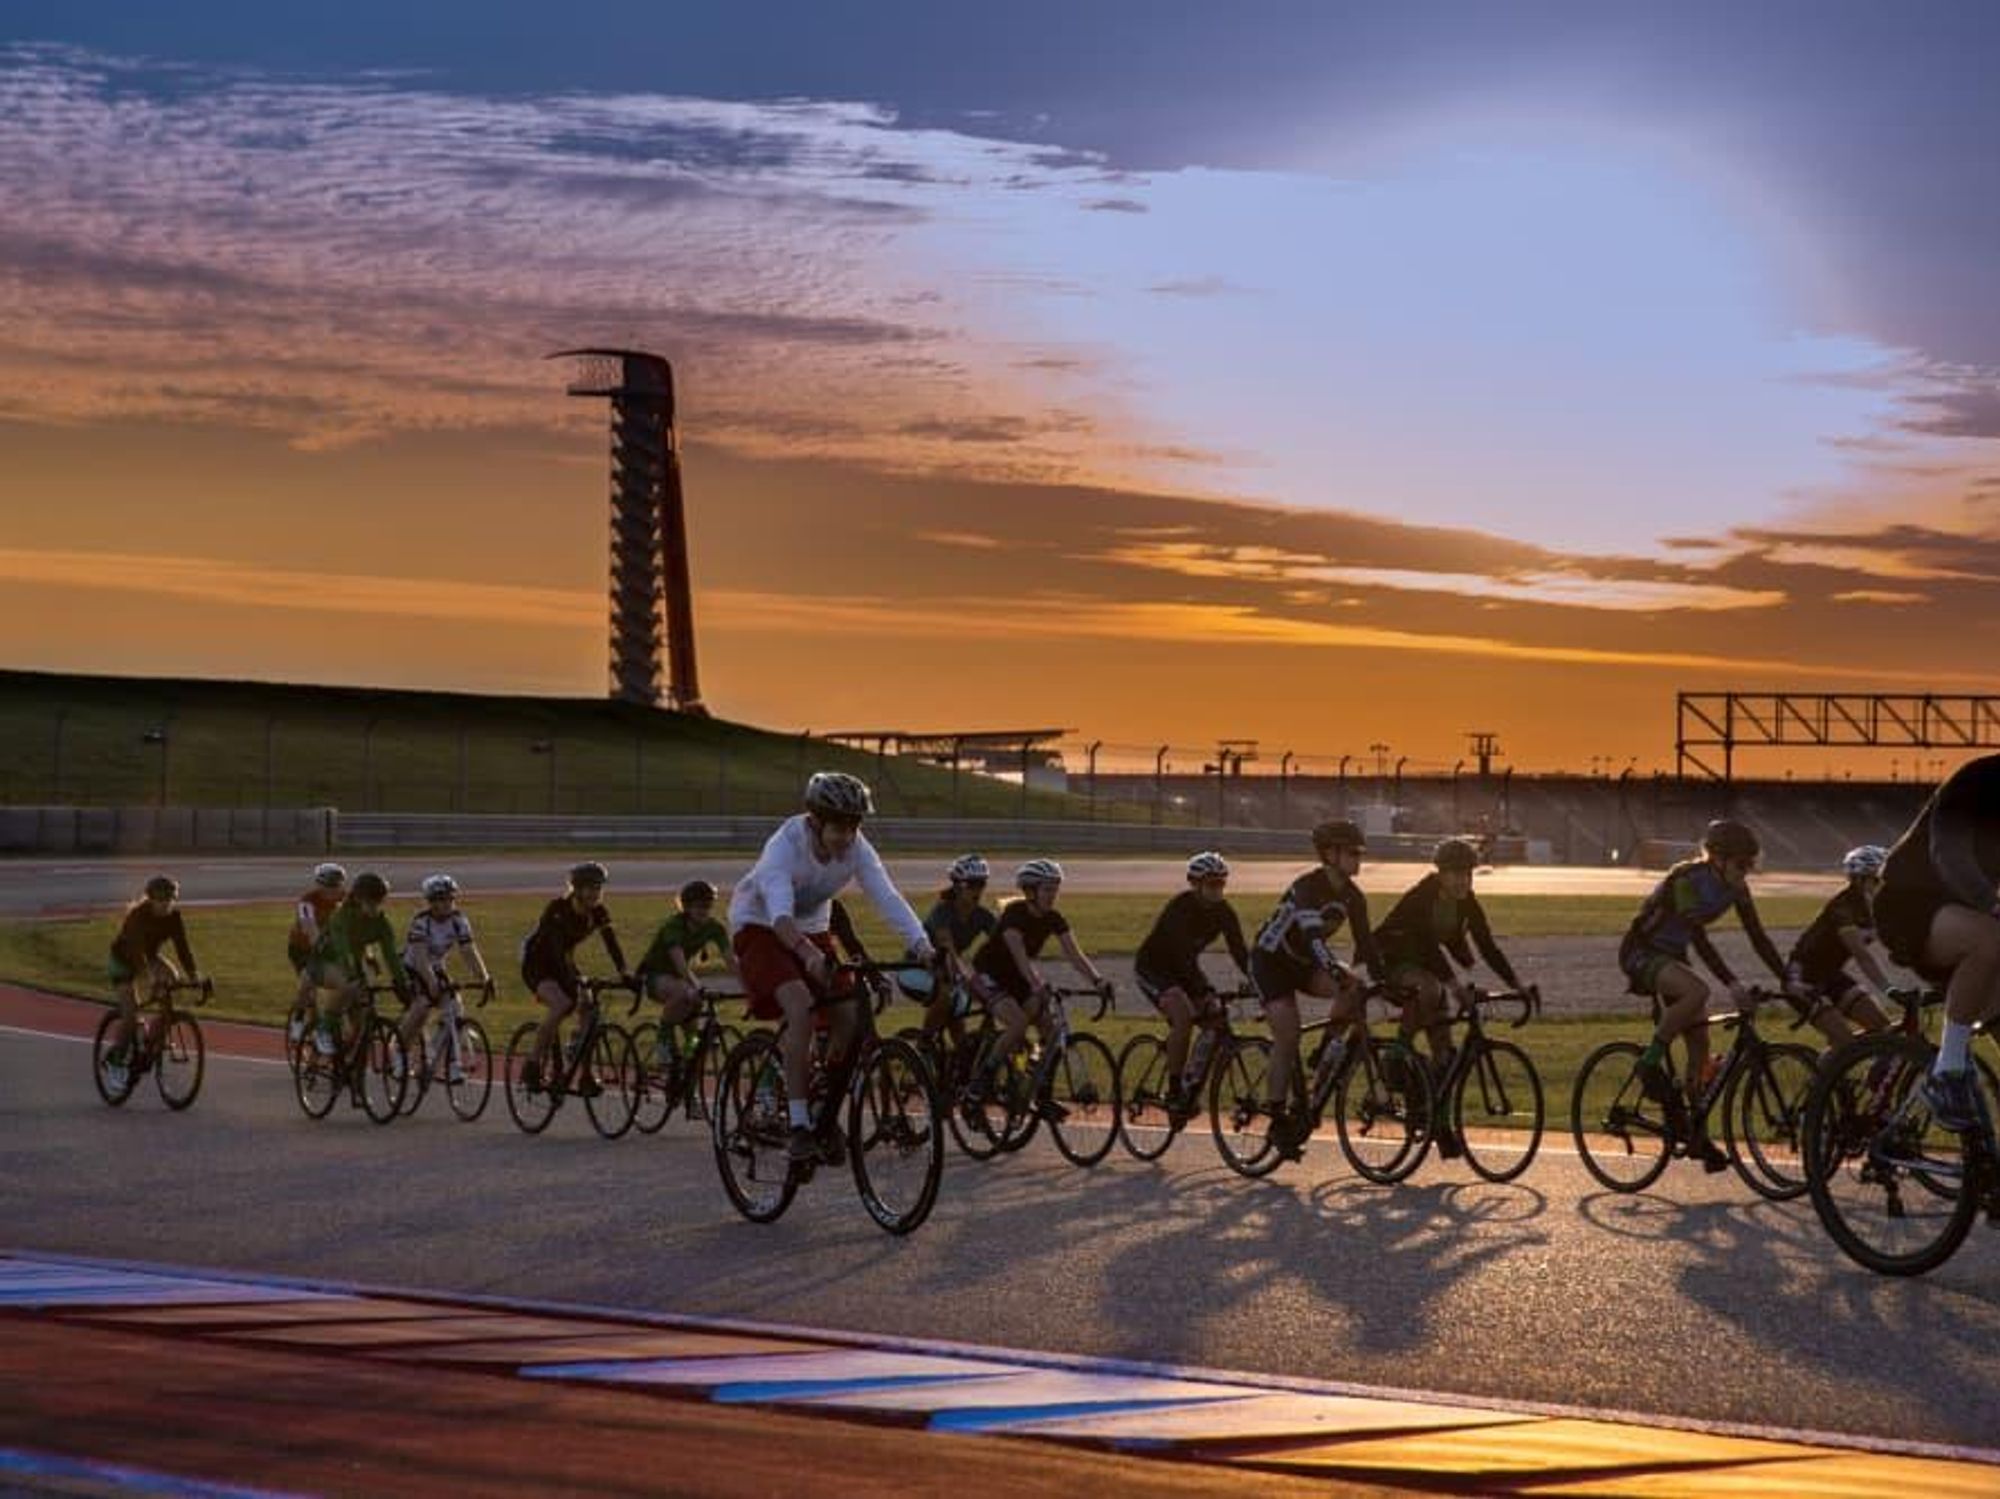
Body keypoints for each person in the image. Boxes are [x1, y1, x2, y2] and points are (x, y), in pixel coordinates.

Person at [728, 772, 934, 1163]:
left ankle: (823, 1102)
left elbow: (887, 897)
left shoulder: (857, 848)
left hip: (813, 928)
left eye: (854, 827)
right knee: (801, 1008)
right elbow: (780, 917)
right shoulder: (784, 847)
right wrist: (807, 954)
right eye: (839, 827)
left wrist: (922, 946)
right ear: (815, 821)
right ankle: (799, 1126)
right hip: (761, 925)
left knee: (850, 1016)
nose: (847, 837)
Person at [1617, 819, 1788, 1169]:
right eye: (1741, 864)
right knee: (1698, 991)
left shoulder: (1737, 887)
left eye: (1751, 864)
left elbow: (1758, 937)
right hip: (1641, 951)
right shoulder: (1686, 880)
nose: (1746, 871)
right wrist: (1733, 984)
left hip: (1672, 956)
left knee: (1700, 1046)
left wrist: (1789, 980)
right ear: (1718, 859)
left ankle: (1696, 1135)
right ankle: (1649, 1062)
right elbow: (1699, 937)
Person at [1372, 838, 1536, 1156]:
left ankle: (1438, 1122)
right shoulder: (1423, 896)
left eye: (1468, 874)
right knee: (1431, 988)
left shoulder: (1466, 901)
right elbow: (1428, 948)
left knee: (1445, 1056)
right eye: (1456, 874)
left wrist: (1517, 984)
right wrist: (1456, 988)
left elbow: (1487, 946)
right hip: (1391, 961)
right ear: (1441, 874)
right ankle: (1396, 1054)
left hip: (1425, 966)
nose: (1464, 880)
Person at [1872, 754, 2000, 1131]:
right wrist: (1992, 904)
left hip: (1965, 913)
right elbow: (1948, 853)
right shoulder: (1977, 779)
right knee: (1989, 938)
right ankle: (1947, 1073)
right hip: (1909, 903)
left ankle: (1980, 1154)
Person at [1250, 820, 1385, 1161]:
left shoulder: (1353, 896)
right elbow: (1313, 940)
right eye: (1352, 853)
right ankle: (1277, 1117)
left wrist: (1384, 981)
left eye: (1360, 853)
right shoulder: (1306, 888)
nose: (1358, 859)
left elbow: (1366, 945)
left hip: (1303, 963)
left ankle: (1323, 1053)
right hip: (1271, 962)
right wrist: (1337, 972)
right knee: (1288, 1034)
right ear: (1330, 854)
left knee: (1355, 991)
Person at [966, 858, 1111, 1113]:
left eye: (1055, 889)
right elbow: (1019, 955)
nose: (1053, 895)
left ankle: (1040, 1090)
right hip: (989, 975)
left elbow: (1074, 954)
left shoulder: (1054, 918)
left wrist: (1098, 981)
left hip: (1018, 979)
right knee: (1018, 1023)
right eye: (1047, 889)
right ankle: (981, 1081)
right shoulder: (1014, 914)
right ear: (1030, 891)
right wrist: (1036, 984)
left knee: (1051, 1030)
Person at [1132, 851, 1250, 1119]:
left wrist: (1258, 980)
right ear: (1195, 884)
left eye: (1221, 883)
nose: (1218, 890)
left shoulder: (1224, 911)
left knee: (1216, 1018)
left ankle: (1191, 1082)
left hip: (1184, 970)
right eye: (1212, 884)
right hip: (1154, 969)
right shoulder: (1180, 908)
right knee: (1183, 1016)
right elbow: (1182, 954)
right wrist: (1204, 990)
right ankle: (1174, 1090)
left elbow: (1240, 952)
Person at [520, 862, 631, 1094]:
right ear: (577, 889)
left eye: (599, 888)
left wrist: (624, 971)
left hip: (565, 962)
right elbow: (554, 948)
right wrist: (573, 981)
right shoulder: (558, 909)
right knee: (561, 1005)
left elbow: (611, 942)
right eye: (590, 888)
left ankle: (585, 1075)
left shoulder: (598, 912)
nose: (595, 893)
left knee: (589, 1011)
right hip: (538, 964)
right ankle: (532, 1063)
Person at [1782, 846, 1896, 1050]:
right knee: (1845, 1042)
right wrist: (1888, 989)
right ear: (1859, 880)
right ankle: (1825, 1070)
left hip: (1831, 974)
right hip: (1803, 977)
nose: (1884, 885)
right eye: (1877, 879)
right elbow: (1862, 956)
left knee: (1883, 1029)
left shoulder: (1874, 904)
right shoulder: (1843, 908)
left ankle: (1865, 1072)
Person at [104, 875, 202, 1091]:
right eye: (161, 900)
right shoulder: (138, 916)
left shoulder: (174, 917)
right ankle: (115, 1061)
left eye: (170, 899)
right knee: (130, 1015)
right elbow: (136, 951)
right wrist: (149, 977)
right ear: (150, 899)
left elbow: (183, 948)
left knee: (173, 979)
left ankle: (155, 1032)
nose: (166, 904)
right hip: (122, 961)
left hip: (148, 957)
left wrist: (194, 975)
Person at [396, 874, 494, 1085]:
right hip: (413, 966)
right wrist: (431, 982)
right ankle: (399, 1053)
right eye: (440, 900)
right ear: (431, 902)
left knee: (454, 1008)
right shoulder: (421, 922)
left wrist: (484, 977)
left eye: (450, 899)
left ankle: (441, 1059)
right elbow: (420, 958)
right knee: (422, 1007)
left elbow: (468, 951)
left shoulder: (459, 920)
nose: (446, 904)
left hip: (436, 966)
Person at [306, 871, 410, 1060]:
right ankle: (324, 1029)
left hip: (351, 963)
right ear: (358, 899)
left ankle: (348, 1062)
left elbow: (391, 956)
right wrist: (353, 972)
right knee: (348, 984)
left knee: (361, 1020)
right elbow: (343, 950)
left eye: (379, 902)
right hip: (323, 962)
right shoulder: (342, 917)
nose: (375, 907)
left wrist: (401, 982)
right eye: (370, 903)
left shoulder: (381, 923)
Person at [635, 879, 736, 1069]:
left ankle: (689, 1058)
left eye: (708, 906)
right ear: (687, 907)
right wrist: (696, 985)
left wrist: (748, 985)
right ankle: (663, 1041)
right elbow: (680, 963)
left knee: (694, 1023)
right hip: (655, 975)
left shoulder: (714, 927)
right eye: (699, 906)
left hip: (678, 977)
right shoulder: (674, 926)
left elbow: (731, 960)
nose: (704, 911)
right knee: (683, 993)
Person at [910, 855, 997, 1038]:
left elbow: (1005, 943)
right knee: (946, 997)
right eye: (971, 885)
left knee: (960, 1026)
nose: (977, 890)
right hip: (916, 968)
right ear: (957, 886)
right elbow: (949, 951)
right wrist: (969, 978)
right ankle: (924, 1043)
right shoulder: (942, 912)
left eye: (981, 884)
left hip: (947, 972)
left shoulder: (982, 915)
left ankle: (963, 1052)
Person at [286, 863, 348, 1044]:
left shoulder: (345, 900)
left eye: (336, 886)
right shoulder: (308, 901)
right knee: (309, 984)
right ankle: (299, 1018)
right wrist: (324, 947)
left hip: (332, 949)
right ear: (319, 885)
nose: (332, 891)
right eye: (328, 886)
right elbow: (310, 929)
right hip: (302, 949)